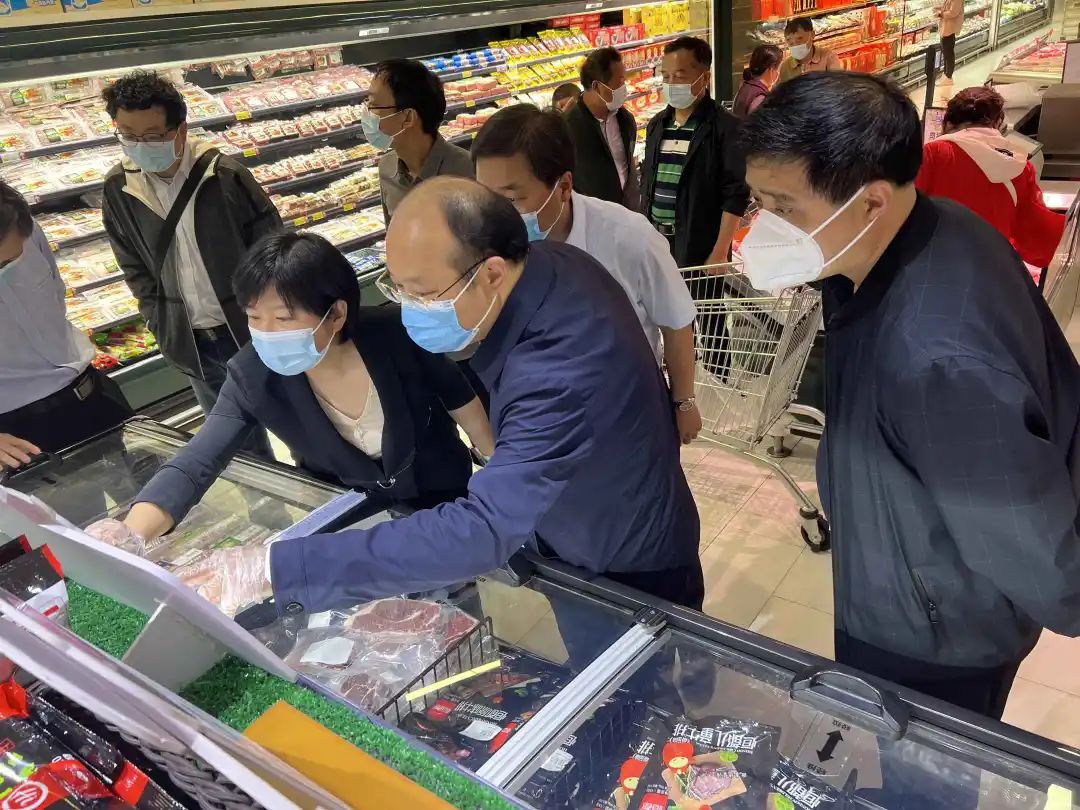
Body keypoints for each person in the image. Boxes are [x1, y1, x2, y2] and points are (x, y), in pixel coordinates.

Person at [141, 177, 702, 619]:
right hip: (586, 519)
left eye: (424, 293)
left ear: (491, 272)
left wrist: (275, 568)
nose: (409, 308)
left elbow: (485, 527)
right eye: (398, 288)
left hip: (619, 552)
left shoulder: (557, 368)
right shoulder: (549, 265)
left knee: (640, 688)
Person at [738, 72, 1080, 722]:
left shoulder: (933, 357)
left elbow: (1032, 546)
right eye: (758, 201)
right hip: (906, 571)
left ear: (870, 201)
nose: (764, 227)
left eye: (783, 207)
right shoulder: (926, 231)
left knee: (920, 765)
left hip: (936, 637)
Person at [93, 231, 492, 546]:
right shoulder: (252, 374)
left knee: (460, 597)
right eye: (254, 317)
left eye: (284, 318)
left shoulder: (395, 332)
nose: (267, 333)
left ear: (336, 313)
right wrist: (131, 533)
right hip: (350, 518)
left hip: (444, 497)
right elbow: (199, 458)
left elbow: (456, 393)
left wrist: (495, 464)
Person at [472, 104, 702, 444]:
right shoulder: (488, 248)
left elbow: (675, 322)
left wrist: (684, 402)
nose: (496, 215)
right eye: (486, 199)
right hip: (546, 416)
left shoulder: (629, 238)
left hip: (628, 407)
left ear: (564, 186)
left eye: (511, 199)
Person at [101, 70, 277, 458]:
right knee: (233, 443)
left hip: (252, 329)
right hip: (193, 341)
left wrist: (274, 316)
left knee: (293, 417)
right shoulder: (119, 188)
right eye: (128, 135)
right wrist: (160, 319)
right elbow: (132, 265)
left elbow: (272, 247)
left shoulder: (224, 175)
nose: (140, 146)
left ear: (180, 130)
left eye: (152, 136)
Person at [0, 181, 133, 470]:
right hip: (15, 431)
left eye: (9, 262)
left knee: (136, 485)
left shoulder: (24, 229)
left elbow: (55, 293)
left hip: (85, 392)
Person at [916, 86, 1064, 268]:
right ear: (998, 123)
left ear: (947, 123)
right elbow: (1038, 241)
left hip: (934, 267)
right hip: (989, 270)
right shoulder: (1020, 166)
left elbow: (901, 212)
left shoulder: (933, 153)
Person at [640, 36, 750, 268]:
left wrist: (720, 252)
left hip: (699, 249)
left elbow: (735, 195)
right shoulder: (657, 125)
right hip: (655, 243)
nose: (671, 84)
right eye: (666, 77)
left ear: (705, 78)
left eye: (680, 77)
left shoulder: (726, 127)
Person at [363, 59, 474, 220]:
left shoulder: (468, 173)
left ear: (408, 117)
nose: (366, 114)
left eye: (373, 106)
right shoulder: (386, 167)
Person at [563, 48, 639, 208]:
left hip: (627, 213)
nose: (624, 88)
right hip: (592, 216)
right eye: (620, 82)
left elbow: (627, 166)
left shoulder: (625, 119)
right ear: (597, 86)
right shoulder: (569, 128)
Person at [777, 18, 841, 83]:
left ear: (812, 35)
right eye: (789, 40)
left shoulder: (829, 57)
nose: (795, 45)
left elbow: (837, 85)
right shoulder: (785, 66)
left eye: (799, 38)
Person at [733, 44, 783, 118]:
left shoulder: (745, 85)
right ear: (771, 70)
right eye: (779, 69)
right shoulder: (761, 98)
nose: (779, 73)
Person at [936, 0, 964, 81]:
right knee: (945, 52)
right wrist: (939, 9)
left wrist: (941, 14)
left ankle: (948, 76)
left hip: (950, 28)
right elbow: (947, 7)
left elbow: (953, 12)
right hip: (946, 27)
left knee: (948, 53)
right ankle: (946, 73)